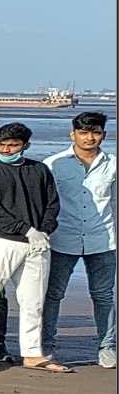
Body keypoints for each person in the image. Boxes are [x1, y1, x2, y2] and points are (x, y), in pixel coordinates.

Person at [0, 122, 63, 373]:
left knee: (33, 301)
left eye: (13, 145)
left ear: (26, 145)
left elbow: (52, 203)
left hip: (37, 243)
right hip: (0, 241)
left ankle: (32, 353)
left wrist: (43, 230)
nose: (7, 149)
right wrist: (25, 229)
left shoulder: (39, 170)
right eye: (3, 145)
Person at [43, 111, 114, 368]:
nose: (89, 138)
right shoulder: (54, 164)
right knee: (53, 294)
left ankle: (107, 346)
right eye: (83, 132)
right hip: (63, 237)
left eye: (95, 132)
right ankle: (47, 345)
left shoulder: (112, 164)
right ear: (72, 134)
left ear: (103, 135)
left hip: (103, 239)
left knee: (103, 295)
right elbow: (46, 203)